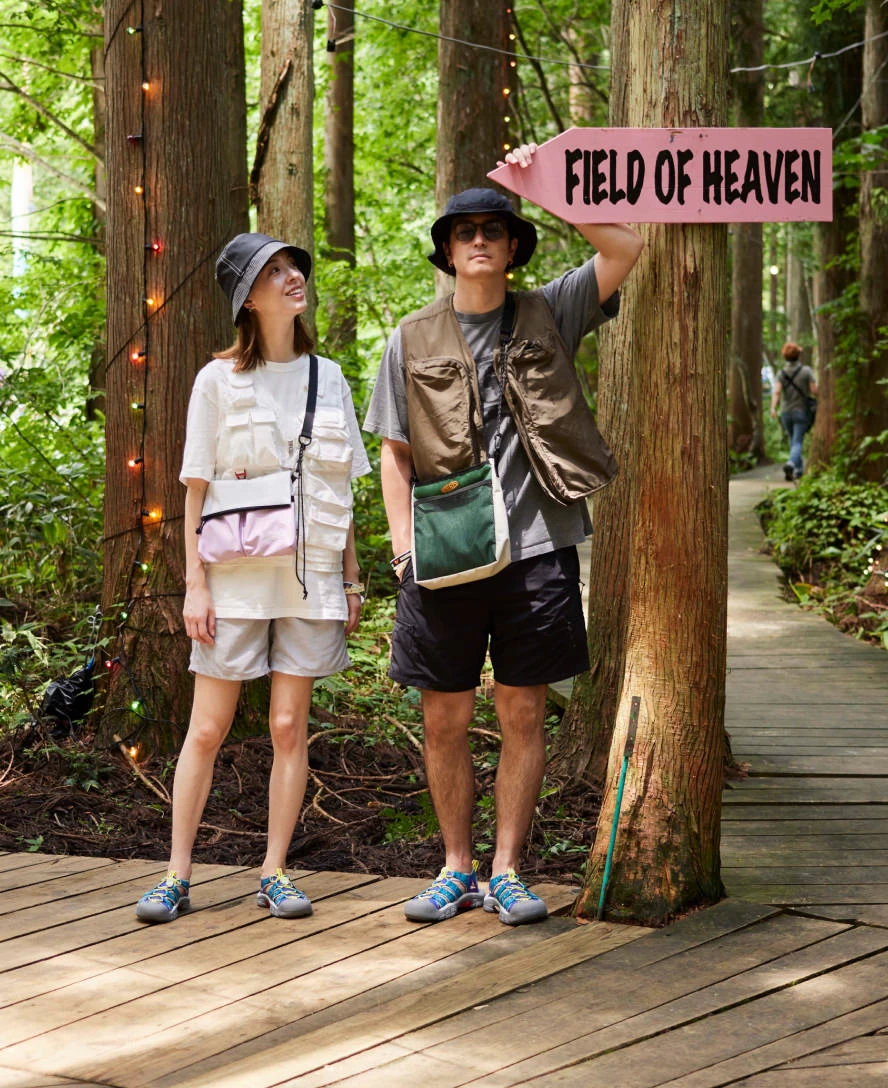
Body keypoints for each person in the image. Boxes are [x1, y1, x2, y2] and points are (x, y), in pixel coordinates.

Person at [364, 143, 644, 926]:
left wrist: (543, 183)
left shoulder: (552, 309)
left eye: (494, 229)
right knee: (444, 717)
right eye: (466, 232)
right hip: (444, 554)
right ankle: (455, 868)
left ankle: (508, 870)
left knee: (522, 714)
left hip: (538, 548)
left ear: (514, 245)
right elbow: (392, 452)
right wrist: (402, 546)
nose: (480, 239)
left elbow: (624, 247)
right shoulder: (410, 338)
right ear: (448, 251)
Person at [135, 233, 370, 923]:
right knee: (208, 728)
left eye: (295, 266)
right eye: (274, 271)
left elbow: (342, 490)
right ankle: (176, 875)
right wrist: (195, 585)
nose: (293, 277)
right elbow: (194, 488)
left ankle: (274, 871)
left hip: (311, 576)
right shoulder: (216, 381)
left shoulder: (329, 377)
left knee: (289, 725)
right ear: (248, 298)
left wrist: (352, 580)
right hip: (233, 576)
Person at [770, 342, 817, 482]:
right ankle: (791, 464)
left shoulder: (781, 373)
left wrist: (773, 408)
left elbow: (777, 392)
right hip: (801, 411)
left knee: (793, 441)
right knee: (797, 442)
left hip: (786, 412)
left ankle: (798, 470)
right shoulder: (806, 371)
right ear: (798, 355)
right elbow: (814, 390)